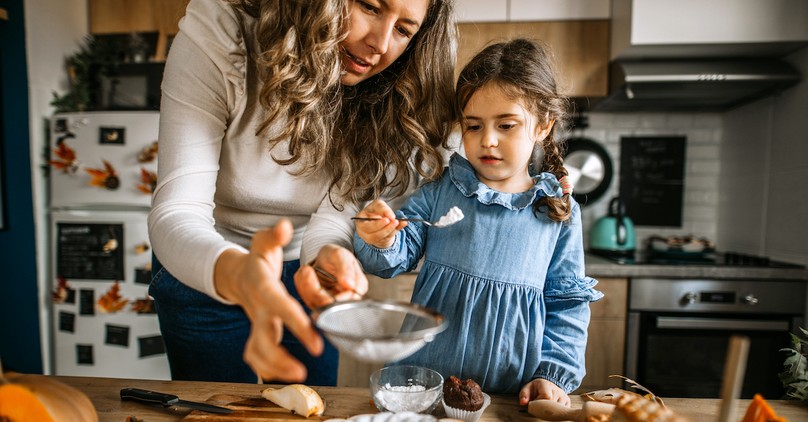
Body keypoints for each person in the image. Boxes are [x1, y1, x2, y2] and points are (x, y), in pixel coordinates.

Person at [147, 0, 457, 385]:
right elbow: (176, 212)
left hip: (305, 279)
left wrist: (326, 258)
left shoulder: (391, 95)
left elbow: (335, 212)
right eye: (371, 6)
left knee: (309, 406)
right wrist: (243, 276)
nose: (379, 43)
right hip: (203, 263)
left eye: (403, 30)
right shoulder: (223, 34)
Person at [353, 38, 603, 406]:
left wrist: (552, 375)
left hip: (510, 398)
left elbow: (567, 307)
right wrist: (380, 237)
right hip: (424, 391)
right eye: (473, 126)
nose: (487, 140)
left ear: (543, 127)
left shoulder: (556, 212)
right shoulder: (441, 192)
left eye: (506, 125)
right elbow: (391, 258)